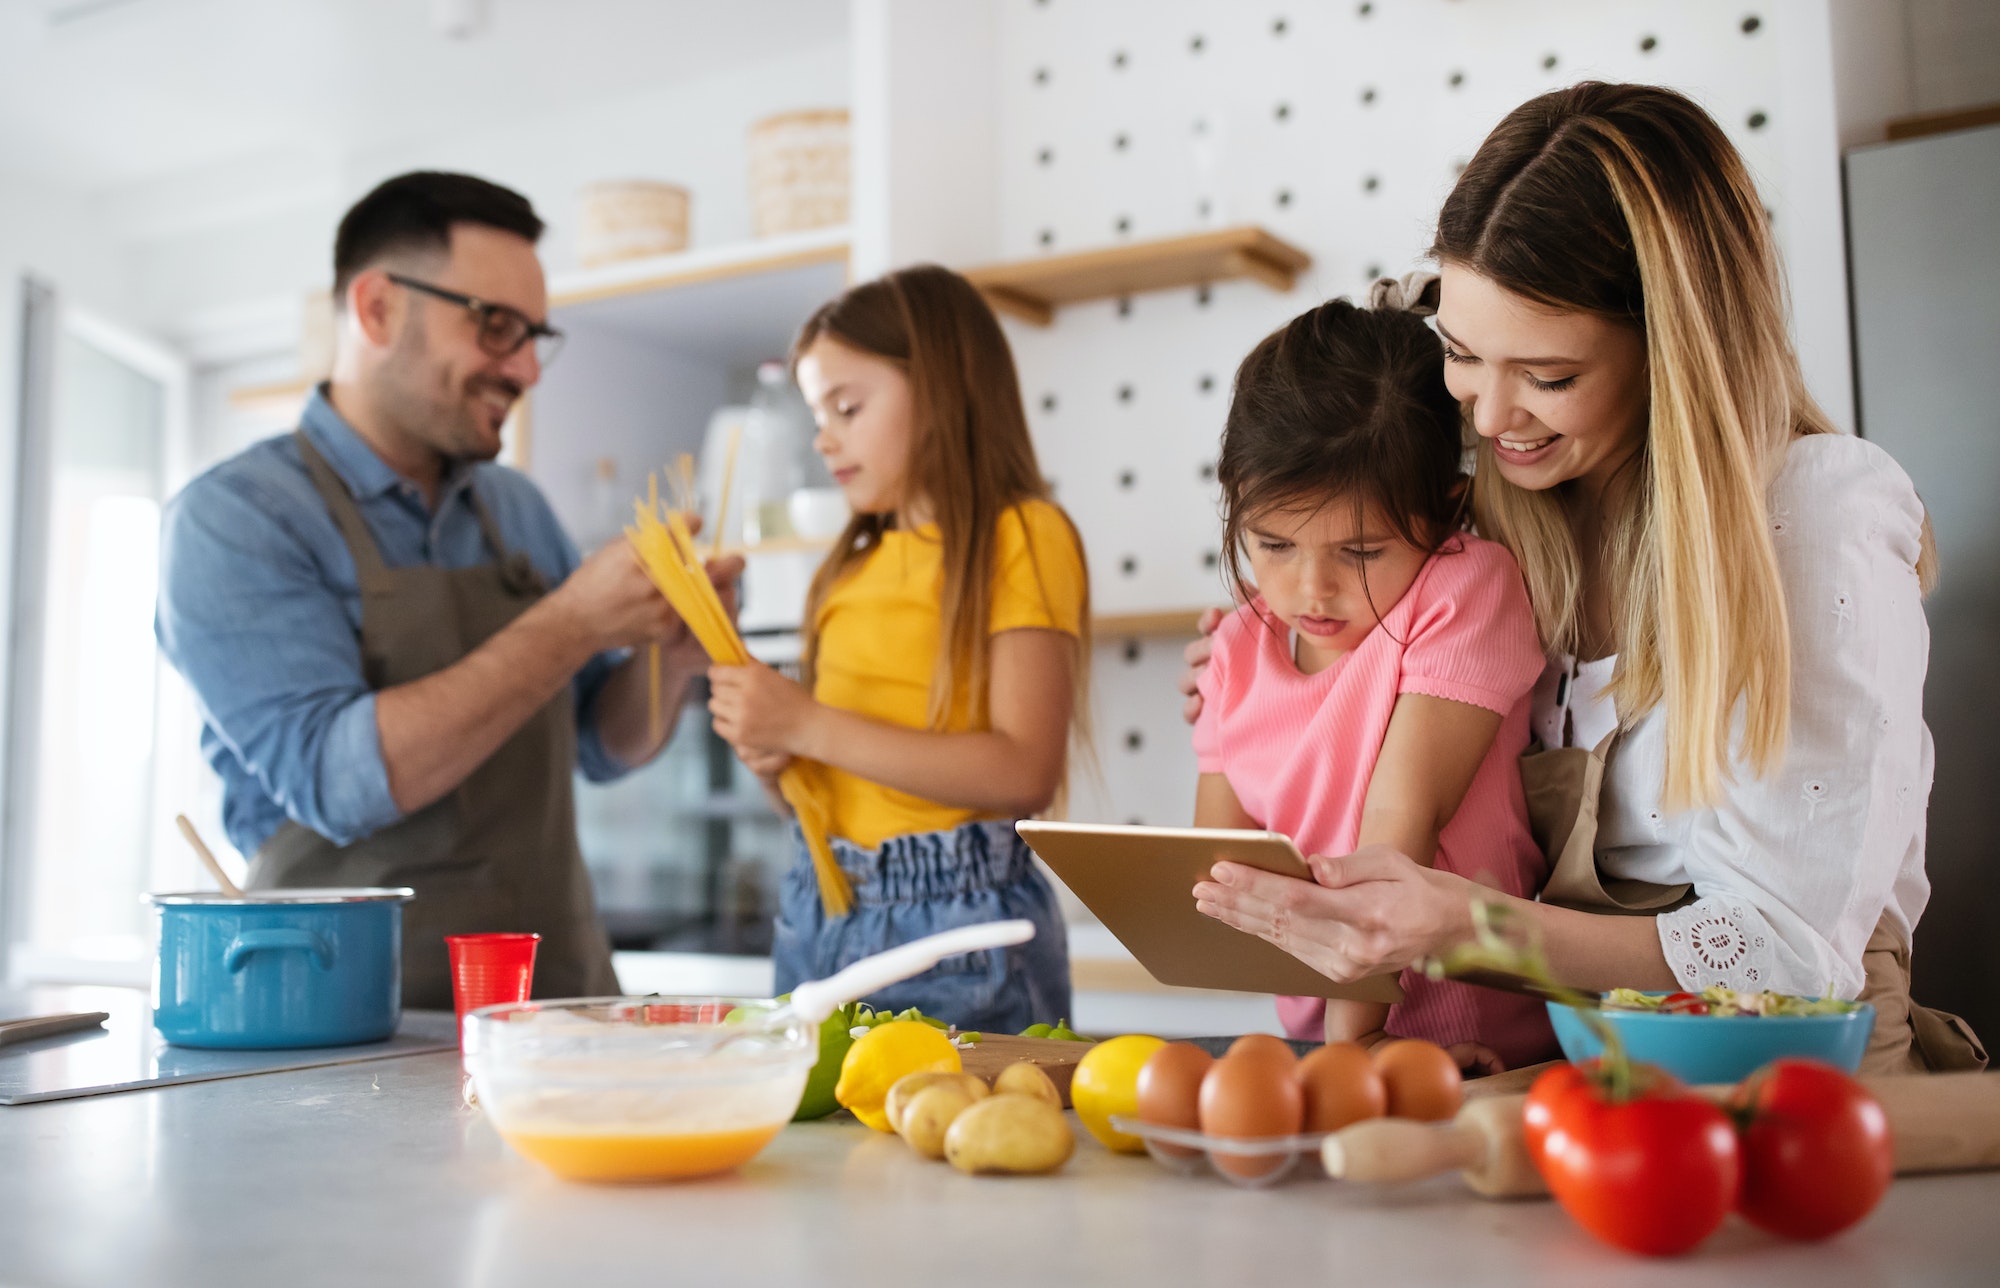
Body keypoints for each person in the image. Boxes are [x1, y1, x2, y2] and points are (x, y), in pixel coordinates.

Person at [1183, 83, 1984, 1072]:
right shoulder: (1510, 513)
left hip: (1789, 1093)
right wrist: (1273, 673)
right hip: (1571, 1079)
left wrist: (1470, 929)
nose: (1488, 416)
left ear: (1673, 353)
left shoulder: (1810, 519)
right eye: (1463, 357)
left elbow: (1788, 958)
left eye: (1548, 377)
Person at [156, 172, 735, 1007]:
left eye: (536, 335)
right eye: (497, 327)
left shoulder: (514, 509)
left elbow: (599, 747)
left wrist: (672, 658)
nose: (528, 367)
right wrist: (572, 622)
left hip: (554, 1006)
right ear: (378, 309)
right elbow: (338, 780)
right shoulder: (235, 520)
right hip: (347, 1026)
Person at [705, 265, 1088, 1034]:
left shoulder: (1022, 535)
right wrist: (775, 755)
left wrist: (806, 725)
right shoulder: (845, 568)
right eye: (820, 413)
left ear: (944, 387)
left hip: (956, 925)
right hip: (819, 905)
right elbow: (829, 789)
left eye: (847, 406)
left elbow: (1024, 772)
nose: (823, 437)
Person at [1192, 291, 1554, 1073]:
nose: (1310, 590)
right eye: (1274, 544)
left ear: (1445, 511)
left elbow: (1404, 822)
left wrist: (1355, 1042)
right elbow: (1220, 863)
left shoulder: (1463, 589)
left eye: (1359, 554)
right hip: (1328, 1035)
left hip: (1479, 1037)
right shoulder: (1234, 646)